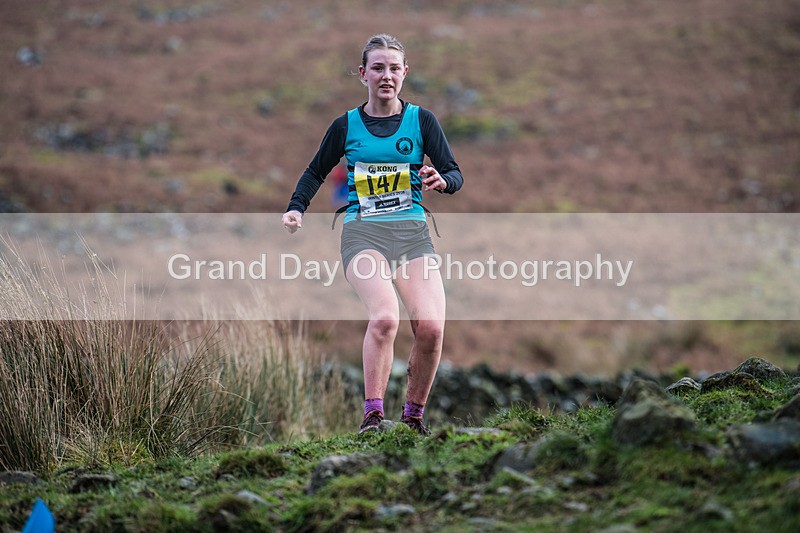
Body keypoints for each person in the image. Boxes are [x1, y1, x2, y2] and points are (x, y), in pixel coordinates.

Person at [282, 34, 463, 435]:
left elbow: (454, 172)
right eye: (378, 68)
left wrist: (443, 180)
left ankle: (413, 419)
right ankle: (373, 417)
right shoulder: (345, 125)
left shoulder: (422, 121)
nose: (386, 76)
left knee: (432, 328)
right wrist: (296, 207)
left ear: (405, 73)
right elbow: (315, 171)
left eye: (394, 68)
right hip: (363, 234)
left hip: (412, 236)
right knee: (384, 318)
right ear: (363, 74)